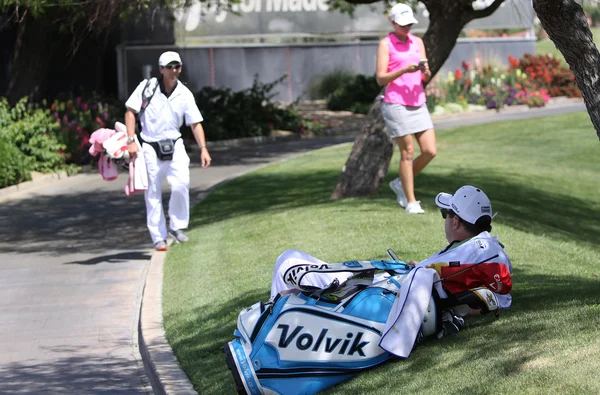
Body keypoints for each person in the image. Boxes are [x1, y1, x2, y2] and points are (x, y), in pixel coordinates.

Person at [270, 185, 512, 310]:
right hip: (383, 292)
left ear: (456, 220)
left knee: (288, 261)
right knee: (293, 282)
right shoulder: (485, 251)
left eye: (445, 214)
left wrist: (417, 271)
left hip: (372, 294)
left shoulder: (472, 253)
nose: (445, 219)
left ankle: (268, 325)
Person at [124, 51, 212, 251]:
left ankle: (177, 226)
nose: (173, 71)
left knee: (182, 184)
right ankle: (158, 237)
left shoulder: (184, 93)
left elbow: (195, 123)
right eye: (169, 67)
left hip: (175, 144)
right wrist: (131, 140)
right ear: (161, 69)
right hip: (149, 146)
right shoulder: (147, 88)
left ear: (180, 68)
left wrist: (203, 149)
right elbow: (130, 112)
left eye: (176, 67)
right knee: (152, 192)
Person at [375, 3, 436, 214]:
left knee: (430, 151)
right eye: (403, 24)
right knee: (408, 152)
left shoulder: (417, 42)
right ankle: (411, 202)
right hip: (396, 102)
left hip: (418, 101)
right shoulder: (386, 44)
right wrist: (403, 70)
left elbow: (425, 76)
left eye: (410, 23)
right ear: (393, 22)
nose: (407, 27)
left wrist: (425, 71)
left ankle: (401, 183)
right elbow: (381, 78)